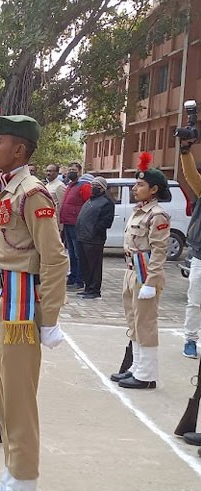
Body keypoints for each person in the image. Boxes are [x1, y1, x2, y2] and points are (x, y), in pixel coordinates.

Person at [0, 115, 68, 491]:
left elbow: (55, 258)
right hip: (0, 299)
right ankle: (13, 478)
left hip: (20, 306)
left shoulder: (32, 194)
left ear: (19, 149)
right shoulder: (5, 190)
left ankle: (23, 484)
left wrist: (48, 319)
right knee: (1, 396)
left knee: (18, 400)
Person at [110, 153, 170, 390]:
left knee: (145, 323)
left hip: (146, 275)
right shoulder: (139, 211)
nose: (135, 188)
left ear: (154, 189)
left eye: (140, 184)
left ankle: (146, 375)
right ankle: (136, 366)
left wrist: (151, 282)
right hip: (132, 271)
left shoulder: (157, 215)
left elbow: (159, 252)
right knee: (134, 322)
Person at [75, 176, 114, 299]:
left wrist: (94, 231)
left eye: (96, 186)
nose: (93, 188)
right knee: (85, 265)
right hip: (82, 237)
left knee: (94, 266)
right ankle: (87, 287)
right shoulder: (90, 200)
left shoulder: (106, 202)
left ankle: (94, 290)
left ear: (102, 188)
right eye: (92, 186)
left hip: (94, 239)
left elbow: (106, 222)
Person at [181, 140, 201, 359]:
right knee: (195, 301)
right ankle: (190, 339)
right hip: (200, 257)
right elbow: (191, 176)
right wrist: (185, 151)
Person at [59, 162, 92, 290]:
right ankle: (72, 277)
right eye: (69, 170)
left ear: (79, 172)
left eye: (73, 170)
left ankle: (79, 280)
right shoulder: (70, 186)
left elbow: (87, 204)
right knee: (71, 253)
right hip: (67, 223)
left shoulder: (83, 186)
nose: (70, 172)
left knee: (78, 253)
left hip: (76, 224)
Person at [44, 164, 66, 229]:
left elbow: (62, 206)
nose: (48, 173)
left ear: (56, 173)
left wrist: (61, 226)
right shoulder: (47, 185)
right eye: (47, 171)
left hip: (55, 221)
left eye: (50, 171)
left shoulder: (60, 186)